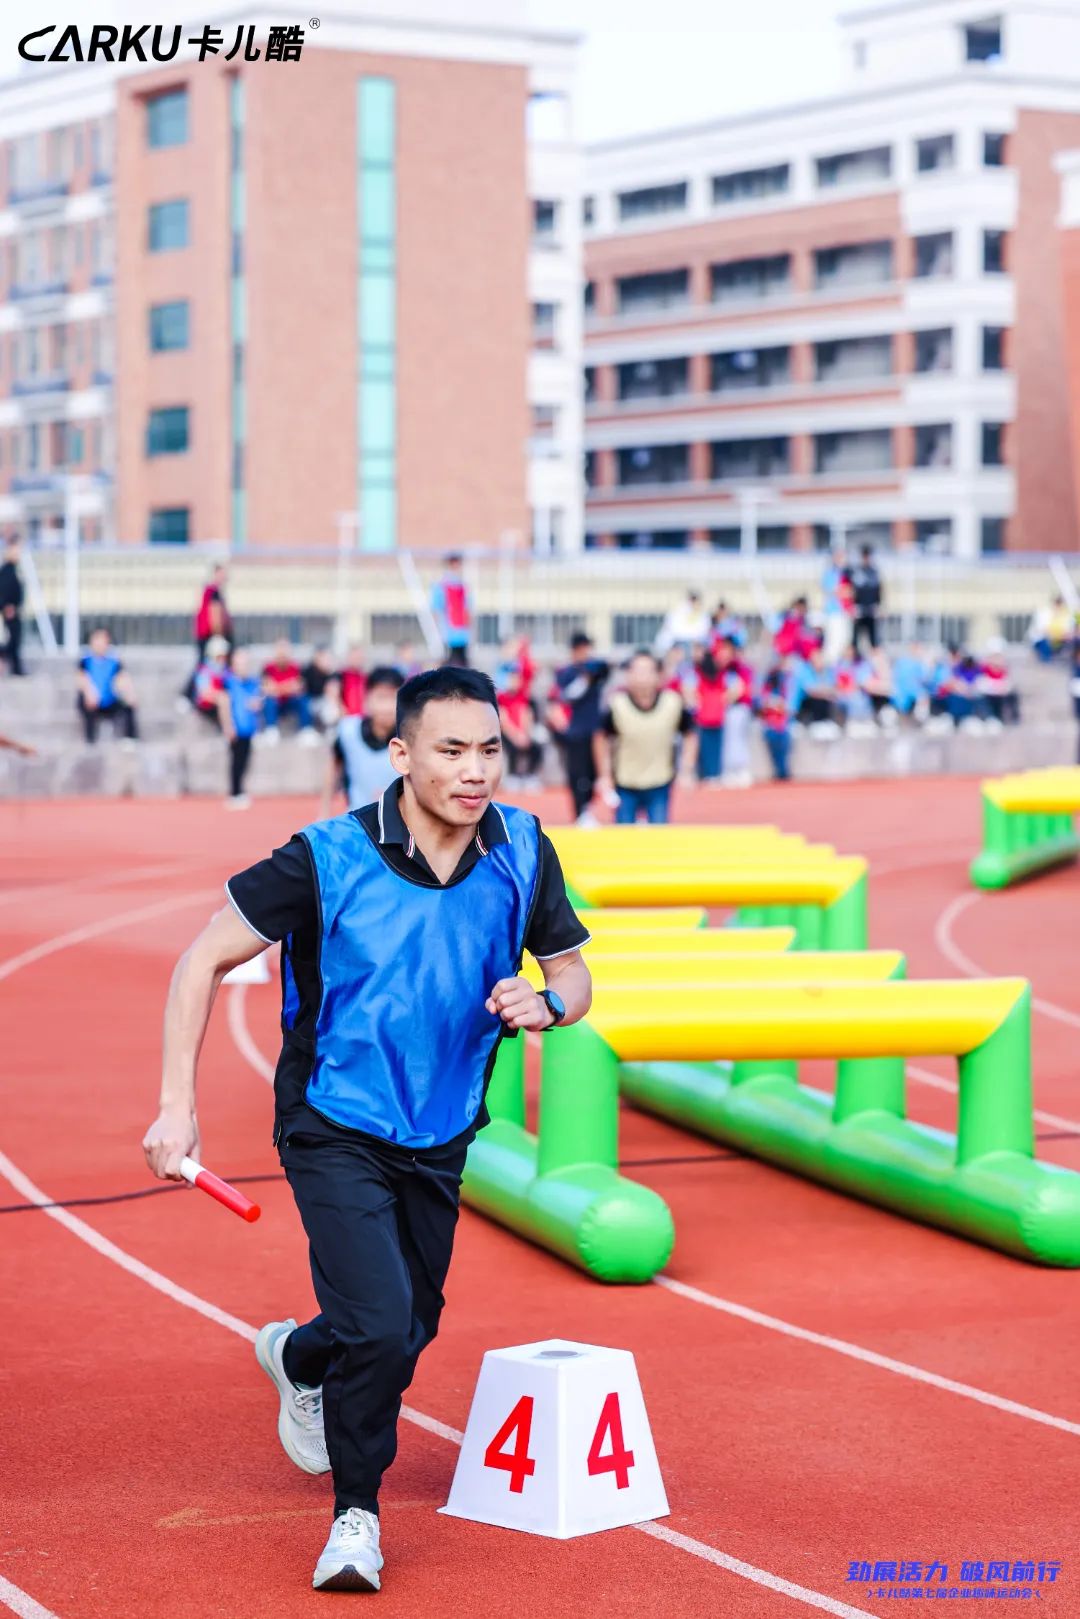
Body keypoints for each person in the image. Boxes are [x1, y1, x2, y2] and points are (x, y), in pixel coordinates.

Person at [142, 665, 593, 1595]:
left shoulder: (523, 846)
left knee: (409, 1322)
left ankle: (298, 1353)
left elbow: (575, 976)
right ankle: (357, 1516)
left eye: (491, 750)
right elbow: (200, 961)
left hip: (443, 1122)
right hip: (333, 1117)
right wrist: (175, 1103)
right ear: (401, 753)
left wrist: (545, 1003)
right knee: (382, 1324)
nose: (476, 772)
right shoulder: (325, 856)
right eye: (452, 750)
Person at [595, 649, 698, 824]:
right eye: (635, 670)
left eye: (646, 671)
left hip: (660, 783)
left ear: (658, 675)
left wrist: (686, 769)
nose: (641, 676)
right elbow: (601, 738)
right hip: (625, 783)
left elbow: (690, 734)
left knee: (658, 840)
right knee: (623, 839)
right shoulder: (617, 705)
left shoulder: (672, 703)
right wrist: (604, 775)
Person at [547, 631, 610, 826]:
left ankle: (588, 808)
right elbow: (567, 695)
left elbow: (604, 669)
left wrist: (589, 674)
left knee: (592, 773)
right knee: (577, 774)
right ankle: (580, 812)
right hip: (575, 731)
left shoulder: (596, 669)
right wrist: (584, 678)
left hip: (594, 730)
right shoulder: (567, 673)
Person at [323, 665, 403, 814]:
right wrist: (324, 811)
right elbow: (334, 766)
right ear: (367, 699)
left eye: (393, 698)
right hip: (358, 822)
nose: (387, 707)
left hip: (401, 824)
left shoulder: (411, 736)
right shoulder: (348, 731)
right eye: (381, 697)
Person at [219, 647, 264, 809]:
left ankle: (241, 791)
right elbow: (223, 703)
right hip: (235, 728)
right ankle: (234, 793)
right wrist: (228, 725)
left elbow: (259, 699)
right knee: (236, 761)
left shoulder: (253, 682)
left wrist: (257, 704)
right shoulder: (228, 682)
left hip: (249, 728)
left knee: (245, 760)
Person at [77, 627, 138, 745]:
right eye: (96, 640)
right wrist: (90, 693)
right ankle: (90, 741)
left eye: (102, 640)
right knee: (85, 702)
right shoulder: (85, 660)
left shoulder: (114, 661)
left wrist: (130, 694)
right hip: (92, 700)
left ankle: (130, 739)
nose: (99, 643)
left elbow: (122, 678)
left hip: (109, 700)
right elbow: (81, 679)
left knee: (129, 705)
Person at [715, 635, 755, 788]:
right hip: (726, 709)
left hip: (739, 707)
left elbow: (743, 688)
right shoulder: (721, 668)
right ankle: (729, 770)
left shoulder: (739, 667)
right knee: (728, 740)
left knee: (738, 739)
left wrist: (730, 697)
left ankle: (741, 769)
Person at [262, 639, 317, 744]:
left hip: (290, 702)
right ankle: (271, 731)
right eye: (280, 652)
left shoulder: (296, 667)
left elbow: (298, 687)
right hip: (276, 703)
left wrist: (278, 687)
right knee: (269, 700)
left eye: (285, 652)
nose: (282, 655)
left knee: (303, 698)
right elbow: (267, 689)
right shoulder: (268, 668)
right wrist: (288, 686)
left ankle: (306, 730)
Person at [497, 664, 542, 786]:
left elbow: (526, 716)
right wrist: (516, 736)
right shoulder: (501, 698)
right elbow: (503, 720)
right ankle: (513, 776)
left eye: (517, 679)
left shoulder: (524, 697)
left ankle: (530, 775)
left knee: (537, 748)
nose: (515, 682)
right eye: (512, 679)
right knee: (512, 748)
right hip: (507, 733)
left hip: (522, 733)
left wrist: (525, 734)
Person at [689, 645, 726, 784]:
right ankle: (713, 773)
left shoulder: (699, 672)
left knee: (707, 748)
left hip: (706, 715)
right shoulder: (719, 673)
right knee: (713, 748)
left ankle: (707, 774)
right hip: (713, 715)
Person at [430, 553, 472, 665]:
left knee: (462, 665)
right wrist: (438, 631)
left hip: (462, 634)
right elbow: (436, 609)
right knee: (449, 665)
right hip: (448, 633)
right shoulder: (440, 586)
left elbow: (467, 610)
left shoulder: (463, 586)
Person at [756, 666, 793, 781]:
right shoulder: (766, 690)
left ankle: (783, 772)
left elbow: (787, 707)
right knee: (774, 745)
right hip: (770, 726)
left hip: (782, 726)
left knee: (784, 747)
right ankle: (779, 772)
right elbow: (762, 706)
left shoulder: (784, 690)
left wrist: (777, 704)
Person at [821, 547, 853, 664]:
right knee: (833, 643)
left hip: (844, 613)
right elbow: (835, 592)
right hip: (834, 613)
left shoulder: (847, 573)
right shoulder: (830, 573)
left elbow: (850, 592)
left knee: (845, 641)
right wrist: (844, 591)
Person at [655, 589, 710, 657]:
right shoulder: (678, 612)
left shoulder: (702, 614)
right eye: (692, 599)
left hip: (694, 645)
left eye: (695, 599)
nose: (693, 602)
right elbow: (672, 629)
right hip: (677, 644)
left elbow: (704, 631)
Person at [0, 535, 26, 677]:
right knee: (11, 640)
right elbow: (3, 591)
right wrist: (6, 606)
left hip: (14, 611)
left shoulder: (14, 569)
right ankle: (9, 662)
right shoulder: (6, 570)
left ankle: (15, 666)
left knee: (15, 640)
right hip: (9, 612)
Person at [850, 545, 883, 655]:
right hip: (859, 609)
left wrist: (878, 606)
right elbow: (852, 591)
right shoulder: (856, 572)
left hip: (871, 609)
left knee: (874, 639)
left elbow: (878, 590)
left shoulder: (874, 572)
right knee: (855, 639)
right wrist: (852, 607)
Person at [192, 635, 231, 727]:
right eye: (221, 656)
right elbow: (203, 693)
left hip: (218, 704)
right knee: (224, 699)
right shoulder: (204, 671)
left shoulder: (225, 670)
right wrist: (220, 696)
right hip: (206, 706)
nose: (223, 659)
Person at [304, 646, 341, 731]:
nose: (326, 660)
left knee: (331, 704)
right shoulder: (309, 671)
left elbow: (333, 692)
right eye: (323, 657)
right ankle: (307, 729)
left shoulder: (333, 673)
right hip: (311, 702)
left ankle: (331, 729)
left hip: (326, 702)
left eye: (327, 658)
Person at [1029, 596, 1074, 662]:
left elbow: (1069, 630)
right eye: (1057, 604)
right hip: (1047, 639)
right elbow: (1041, 629)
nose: (1058, 607)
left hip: (1061, 639)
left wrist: (1063, 635)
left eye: (1060, 604)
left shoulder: (1066, 615)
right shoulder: (1045, 614)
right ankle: (1045, 660)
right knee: (1045, 643)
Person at [338, 645, 368, 717]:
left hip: (362, 716)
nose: (356, 660)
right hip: (346, 716)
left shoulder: (364, 677)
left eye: (359, 657)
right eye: (354, 657)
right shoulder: (341, 675)